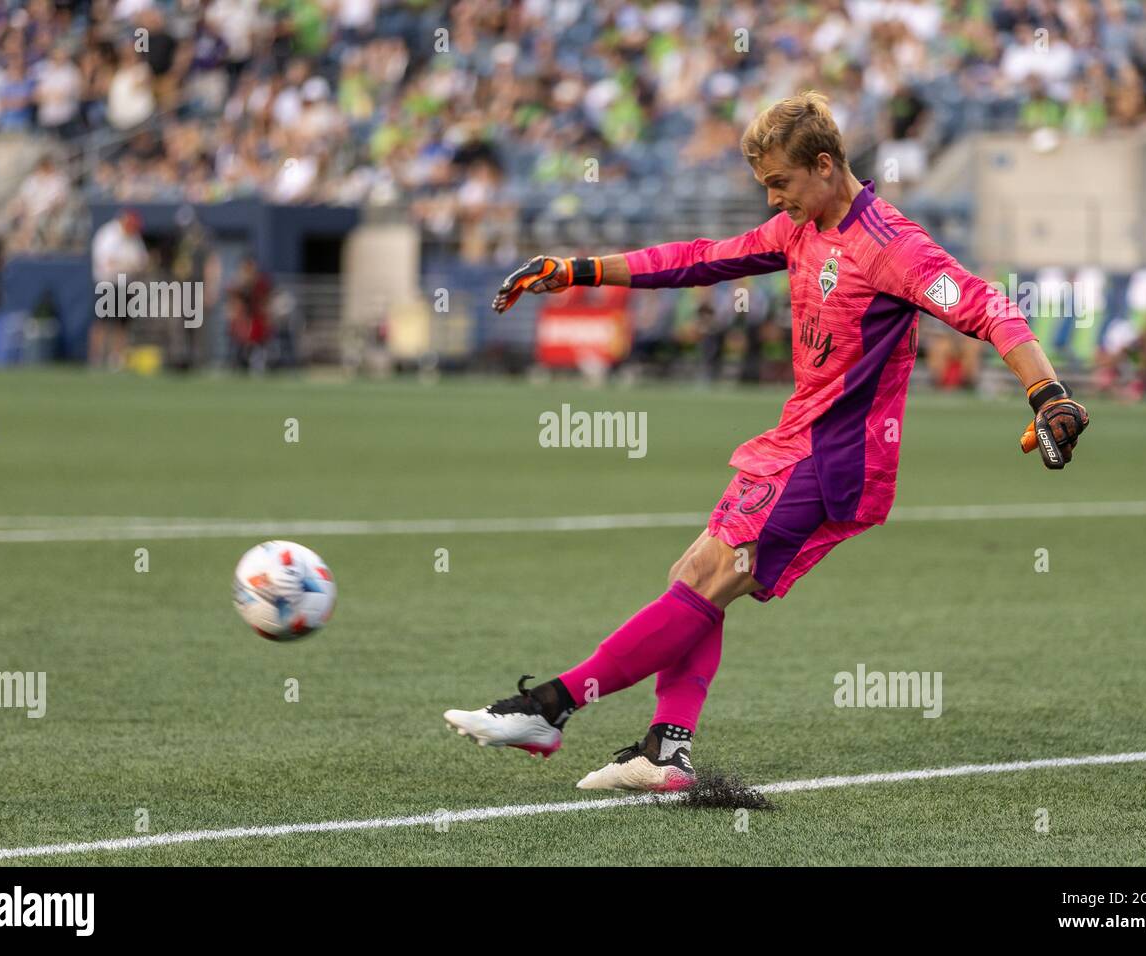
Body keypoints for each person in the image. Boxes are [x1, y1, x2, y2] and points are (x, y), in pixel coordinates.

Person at [444, 91, 1089, 792]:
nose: (775, 199)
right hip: (791, 444)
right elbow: (698, 259)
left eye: (780, 182)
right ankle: (665, 749)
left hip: (834, 459)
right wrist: (579, 270)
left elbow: (988, 306)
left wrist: (1046, 392)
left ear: (823, 165)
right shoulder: (799, 230)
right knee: (692, 579)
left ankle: (552, 707)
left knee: (705, 581)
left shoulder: (892, 245)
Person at [90, 209, 148, 368]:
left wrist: (126, 265)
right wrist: (128, 265)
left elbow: (142, 261)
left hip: (125, 284)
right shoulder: (108, 235)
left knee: (122, 324)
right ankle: (96, 358)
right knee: (102, 322)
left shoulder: (134, 237)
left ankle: (116, 359)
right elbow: (107, 263)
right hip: (107, 284)